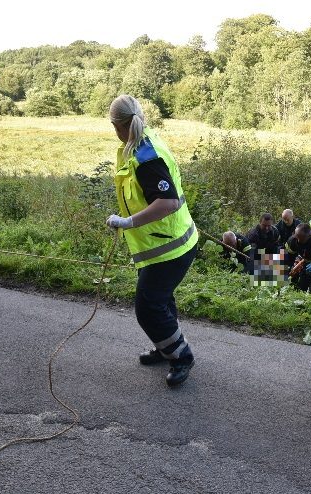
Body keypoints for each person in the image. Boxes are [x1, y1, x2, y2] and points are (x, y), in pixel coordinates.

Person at [105, 94, 198, 387]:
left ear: (118, 126)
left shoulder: (146, 157)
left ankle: (181, 354)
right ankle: (165, 345)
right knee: (160, 299)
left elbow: (167, 202)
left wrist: (127, 222)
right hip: (159, 244)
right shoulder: (140, 143)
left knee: (147, 307)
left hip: (171, 246)